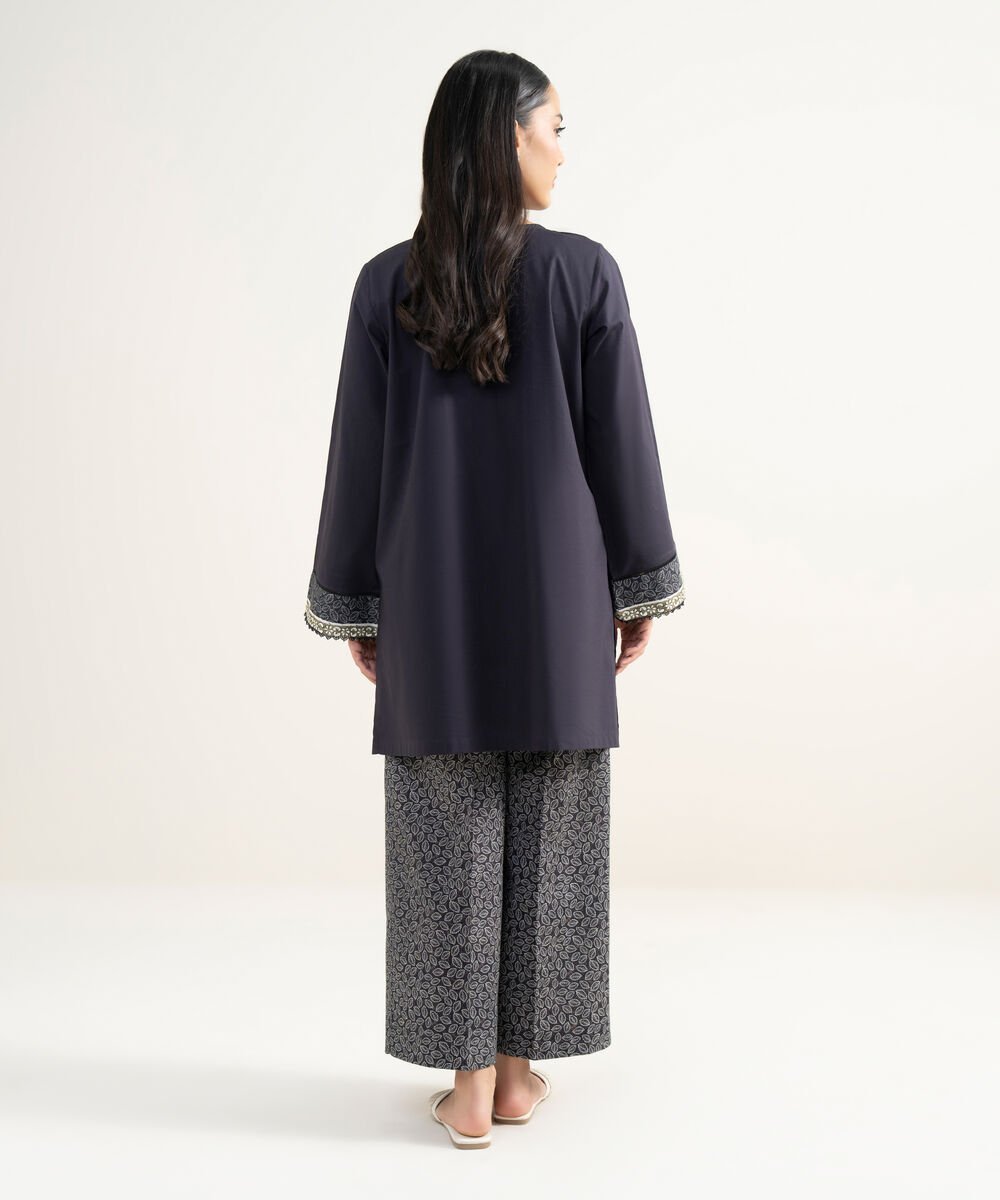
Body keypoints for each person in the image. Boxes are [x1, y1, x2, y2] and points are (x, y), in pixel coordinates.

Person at [303, 50, 685, 1149]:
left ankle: (466, 1090)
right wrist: (636, 588)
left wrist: (359, 603)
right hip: (561, 607)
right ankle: (518, 1080)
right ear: (508, 138)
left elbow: (358, 460)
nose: (563, 151)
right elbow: (624, 449)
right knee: (552, 835)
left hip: (432, 608)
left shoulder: (386, 285)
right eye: (555, 128)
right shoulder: (584, 274)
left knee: (446, 837)